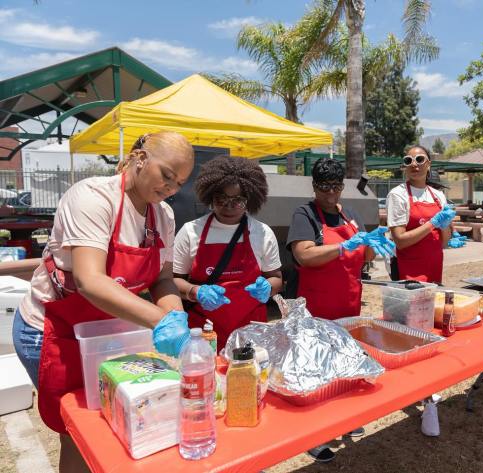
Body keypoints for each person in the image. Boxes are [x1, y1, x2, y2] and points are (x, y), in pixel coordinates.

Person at [12, 131, 195, 472]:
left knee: (118, 414)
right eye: (166, 175)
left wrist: (177, 317)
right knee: (80, 429)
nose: (171, 188)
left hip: (105, 330)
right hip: (53, 329)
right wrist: (159, 320)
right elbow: (90, 280)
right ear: (140, 158)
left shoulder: (163, 216)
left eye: (179, 182)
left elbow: (162, 278)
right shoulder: (94, 198)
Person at [286, 157, 394, 463]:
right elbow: (304, 255)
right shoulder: (304, 214)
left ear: (342, 186)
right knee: (314, 373)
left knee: (344, 368)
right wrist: (341, 247)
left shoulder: (351, 215)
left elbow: (364, 254)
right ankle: (315, 437)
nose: (330, 193)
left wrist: (374, 244)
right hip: (316, 309)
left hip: (349, 305)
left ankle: (344, 421)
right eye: (323, 187)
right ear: (314, 186)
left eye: (335, 186)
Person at [173, 156, 282, 351]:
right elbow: (173, 280)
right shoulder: (191, 231)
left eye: (237, 201)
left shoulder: (262, 232)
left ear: (249, 200)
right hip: (205, 333)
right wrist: (194, 291)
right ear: (210, 198)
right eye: (221, 199)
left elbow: (276, 278)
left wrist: (268, 288)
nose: (229, 207)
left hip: (251, 332)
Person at [386, 145, 455, 283]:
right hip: (409, 269)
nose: (414, 164)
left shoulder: (438, 195)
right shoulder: (398, 195)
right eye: (408, 161)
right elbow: (400, 241)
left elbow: (444, 242)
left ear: (428, 164)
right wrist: (432, 223)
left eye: (419, 159)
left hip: (434, 267)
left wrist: (445, 226)